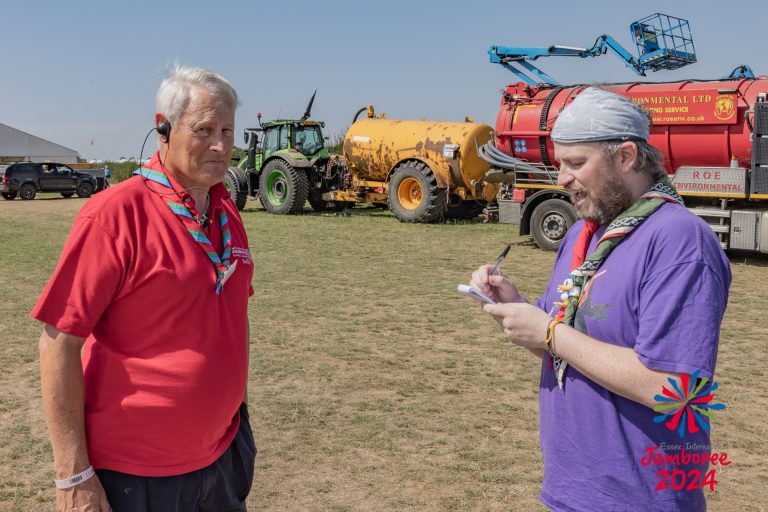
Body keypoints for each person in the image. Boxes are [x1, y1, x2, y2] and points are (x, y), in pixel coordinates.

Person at [470, 87, 730, 511]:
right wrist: (516, 305)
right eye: (559, 164)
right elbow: (573, 343)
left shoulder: (679, 241)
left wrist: (550, 333)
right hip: (573, 489)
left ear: (626, 156)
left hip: (641, 497)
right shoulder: (584, 233)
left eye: (576, 163)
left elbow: (674, 387)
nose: (562, 179)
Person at [32, 66, 256, 511]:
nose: (221, 145)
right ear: (163, 130)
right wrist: (72, 474)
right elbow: (57, 343)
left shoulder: (226, 212)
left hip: (224, 454)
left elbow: (234, 319)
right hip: (139, 476)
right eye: (205, 130)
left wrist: (238, 416)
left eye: (228, 131)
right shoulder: (115, 215)